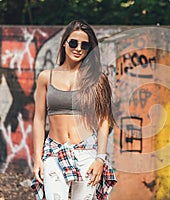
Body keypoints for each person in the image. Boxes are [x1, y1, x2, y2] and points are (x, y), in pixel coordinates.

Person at [31, 20, 117, 200]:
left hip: (87, 153)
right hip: (54, 152)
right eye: (73, 43)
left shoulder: (97, 79)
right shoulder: (46, 77)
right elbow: (39, 119)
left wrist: (100, 158)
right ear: (64, 44)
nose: (78, 48)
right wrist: (37, 159)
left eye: (84, 45)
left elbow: (103, 122)